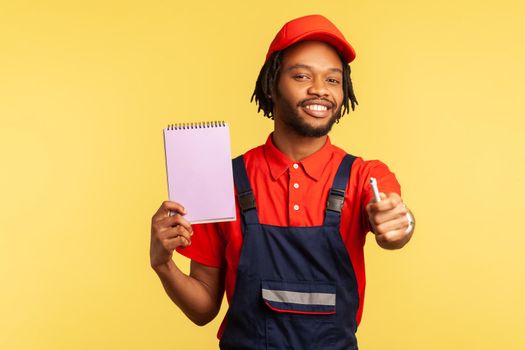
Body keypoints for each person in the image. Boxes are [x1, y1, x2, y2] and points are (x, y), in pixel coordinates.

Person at [150, 14, 415, 350]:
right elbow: (203, 308)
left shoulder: (366, 176)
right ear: (272, 85)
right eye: (302, 76)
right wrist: (163, 264)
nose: (320, 89)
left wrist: (400, 224)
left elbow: (397, 223)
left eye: (333, 80)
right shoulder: (221, 179)